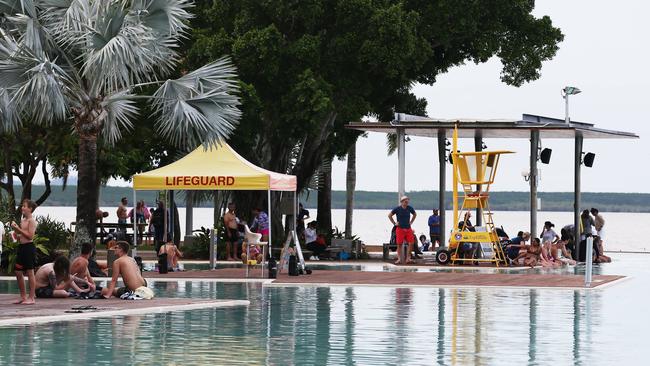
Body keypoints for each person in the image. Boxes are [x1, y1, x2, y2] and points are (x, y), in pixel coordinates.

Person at [12, 199, 38, 305]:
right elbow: (22, 235)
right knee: (18, 272)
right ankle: (23, 297)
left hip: (29, 248)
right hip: (21, 247)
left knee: (30, 273)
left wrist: (18, 229)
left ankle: (31, 297)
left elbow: (30, 236)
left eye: (24, 206)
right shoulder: (23, 220)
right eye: (22, 206)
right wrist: (15, 234)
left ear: (30, 209)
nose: (22, 207)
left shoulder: (32, 221)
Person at [388, 195, 417, 265]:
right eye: (405, 201)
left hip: (408, 228)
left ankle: (408, 258)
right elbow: (389, 215)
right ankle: (399, 259)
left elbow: (415, 214)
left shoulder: (409, 208)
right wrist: (394, 223)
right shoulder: (397, 209)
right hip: (400, 228)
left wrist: (411, 222)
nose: (406, 202)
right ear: (401, 202)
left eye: (407, 201)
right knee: (399, 244)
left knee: (411, 243)